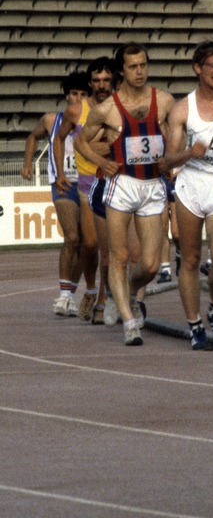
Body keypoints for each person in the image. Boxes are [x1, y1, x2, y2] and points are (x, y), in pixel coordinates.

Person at [75, 43, 175, 346]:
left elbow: (175, 132)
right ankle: (129, 322)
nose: (140, 71)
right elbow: (81, 142)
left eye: (143, 65)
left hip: (152, 186)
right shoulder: (107, 109)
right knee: (118, 256)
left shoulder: (165, 100)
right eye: (133, 66)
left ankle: (130, 294)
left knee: (150, 265)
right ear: (122, 70)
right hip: (122, 186)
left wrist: (170, 157)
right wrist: (102, 162)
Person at [159, 41, 213, 351]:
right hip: (191, 186)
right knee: (189, 259)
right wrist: (191, 152)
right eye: (212, 66)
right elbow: (167, 161)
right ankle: (194, 325)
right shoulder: (183, 109)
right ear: (198, 68)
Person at [21, 71, 89, 317]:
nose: (78, 99)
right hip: (63, 185)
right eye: (74, 94)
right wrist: (28, 163)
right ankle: (63, 295)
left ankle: (70, 293)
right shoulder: (52, 120)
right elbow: (32, 136)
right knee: (71, 238)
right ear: (66, 95)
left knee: (87, 244)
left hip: (88, 184)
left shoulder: (93, 119)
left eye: (83, 94)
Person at [55, 57, 116, 325]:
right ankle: (91, 290)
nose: (101, 86)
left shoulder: (119, 108)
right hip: (85, 185)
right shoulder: (76, 111)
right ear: (90, 83)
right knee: (90, 245)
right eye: (97, 81)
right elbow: (59, 138)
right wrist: (59, 172)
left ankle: (103, 299)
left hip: (115, 184)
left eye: (106, 80)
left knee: (109, 249)